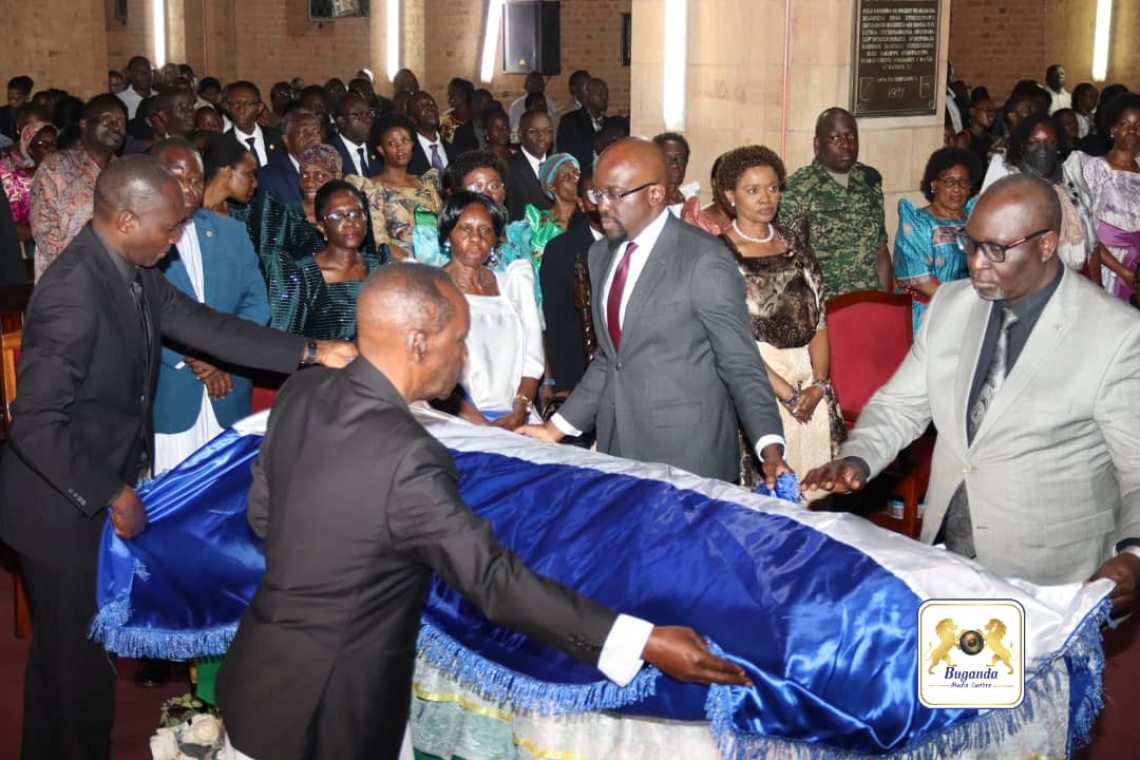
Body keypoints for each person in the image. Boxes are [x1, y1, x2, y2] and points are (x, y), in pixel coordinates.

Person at [215, 261, 749, 760]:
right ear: (419, 344)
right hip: (331, 713)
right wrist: (644, 640)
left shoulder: (303, 391)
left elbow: (263, 517)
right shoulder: (410, 453)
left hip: (257, 680)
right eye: (460, 340)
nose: (464, 354)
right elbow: (495, 583)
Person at [0, 154, 356, 760]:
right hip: (58, 504)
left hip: (87, 486)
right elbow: (33, 423)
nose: (173, 241)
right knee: (72, 664)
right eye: (168, 228)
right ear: (127, 218)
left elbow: (209, 326)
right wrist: (111, 493)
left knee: (84, 658)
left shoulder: (131, 270)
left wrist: (314, 350)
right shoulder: (72, 292)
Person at [802, 174, 1140, 601]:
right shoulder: (952, 305)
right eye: (970, 243)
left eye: (995, 249)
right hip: (946, 545)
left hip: (1048, 571)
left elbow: (1137, 471)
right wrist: (858, 457)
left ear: (1047, 244)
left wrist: (1133, 553)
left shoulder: (1118, 335)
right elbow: (899, 406)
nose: (976, 262)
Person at [517, 138, 790, 487]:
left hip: (689, 454)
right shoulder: (600, 256)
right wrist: (554, 429)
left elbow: (740, 362)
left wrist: (769, 448)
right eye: (599, 193)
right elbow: (610, 358)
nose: (602, 206)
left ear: (656, 194)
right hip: (619, 445)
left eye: (615, 194)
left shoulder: (703, 259)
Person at [715, 145, 842, 485]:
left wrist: (818, 384)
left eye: (772, 188)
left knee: (816, 498)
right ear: (731, 195)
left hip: (810, 385)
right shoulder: (719, 252)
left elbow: (819, 319)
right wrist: (788, 393)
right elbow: (734, 339)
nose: (765, 198)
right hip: (759, 385)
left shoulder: (795, 243)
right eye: (752, 190)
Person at [149, 138, 270, 473]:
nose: (188, 189)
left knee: (227, 500)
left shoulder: (231, 232)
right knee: (171, 501)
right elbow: (138, 313)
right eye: (177, 179)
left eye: (196, 181)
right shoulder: (140, 238)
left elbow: (257, 303)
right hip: (170, 391)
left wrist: (221, 355)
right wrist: (193, 356)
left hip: (229, 387)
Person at [435, 192, 544, 425]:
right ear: (448, 235)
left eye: (485, 230)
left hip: (517, 414)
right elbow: (427, 370)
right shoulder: (431, 289)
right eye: (465, 229)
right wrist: (483, 426)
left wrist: (517, 414)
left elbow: (533, 360)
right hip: (457, 418)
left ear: (495, 239)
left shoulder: (513, 285)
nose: (476, 238)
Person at [778, 108, 892, 296]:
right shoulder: (795, 190)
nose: (846, 144)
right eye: (835, 138)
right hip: (825, 311)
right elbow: (788, 263)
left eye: (851, 137)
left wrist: (885, 304)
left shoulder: (869, 182)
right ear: (817, 144)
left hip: (869, 305)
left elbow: (880, 251)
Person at [30, 93, 126, 281]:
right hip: (67, 283)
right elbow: (44, 230)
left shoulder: (127, 174)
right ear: (84, 124)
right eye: (107, 120)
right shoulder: (56, 166)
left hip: (119, 282)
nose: (116, 126)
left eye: (121, 122)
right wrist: (88, 271)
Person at [981, 112, 1094, 271]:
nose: (1042, 149)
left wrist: (1097, 285)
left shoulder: (1070, 176)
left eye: (1050, 142)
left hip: (1075, 272)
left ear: (1058, 146)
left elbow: (1091, 240)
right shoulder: (1010, 182)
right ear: (1023, 145)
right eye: (1034, 142)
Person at [894, 147, 981, 332]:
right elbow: (921, 282)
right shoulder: (917, 224)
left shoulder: (976, 219)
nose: (957, 188)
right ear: (933, 185)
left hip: (974, 311)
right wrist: (964, 305)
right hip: (930, 316)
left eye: (963, 182)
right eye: (949, 181)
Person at [540, 166, 603, 403]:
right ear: (581, 202)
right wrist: (562, 383)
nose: (603, 202)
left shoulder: (631, 243)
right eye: (594, 195)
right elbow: (556, 322)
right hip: (578, 372)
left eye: (610, 193)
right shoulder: (561, 250)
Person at [1079, 92, 1140, 302]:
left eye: (1138, 125)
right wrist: (1123, 271)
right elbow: (1086, 230)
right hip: (1108, 265)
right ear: (1113, 130)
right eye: (1125, 124)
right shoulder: (1096, 168)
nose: (1132, 130)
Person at [351, 113, 442, 251]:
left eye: (405, 141)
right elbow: (380, 240)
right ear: (381, 149)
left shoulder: (425, 183)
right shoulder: (373, 188)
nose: (400, 148)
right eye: (392, 143)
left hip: (436, 259)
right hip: (399, 266)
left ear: (412, 143)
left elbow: (443, 225)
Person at [0, 120, 56, 242]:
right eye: (42, 143)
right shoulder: (15, 183)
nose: (51, 148)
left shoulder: (69, 177)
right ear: (30, 149)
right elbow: (7, 224)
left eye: (54, 143)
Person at [255, 108, 323, 205]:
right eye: (303, 132)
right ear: (286, 140)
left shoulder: (330, 171)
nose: (312, 137)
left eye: (316, 132)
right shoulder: (268, 177)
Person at [524, 152, 580, 262]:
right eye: (566, 177)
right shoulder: (537, 224)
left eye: (577, 173)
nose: (575, 180)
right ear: (551, 187)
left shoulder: (589, 219)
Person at [507, 109, 554, 222]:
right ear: (520, 134)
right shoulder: (508, 168)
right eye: (533, 131)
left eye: (547, 131)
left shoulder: (558, 165)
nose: (542, 136)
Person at [224, 81, 285, 167]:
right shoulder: (222, 145)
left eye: (248, 104)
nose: (241, 110)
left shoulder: (278, 138)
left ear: (259, 107)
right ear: (227, 107)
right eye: (236, 104)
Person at [201, 133, 258, 217]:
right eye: (250, 174)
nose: (255, 184)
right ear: (227, 170)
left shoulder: (241, 215)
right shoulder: (186, 211)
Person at [557, 77, 608, 169]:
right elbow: (564, 153)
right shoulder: (570, 120)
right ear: (587, 95)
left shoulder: (609, 123)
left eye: (606, 94)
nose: (604, 97)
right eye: (600, 94)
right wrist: (593, 144)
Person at [681, 152, 732, 236]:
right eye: (727, 180)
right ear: (714, 182)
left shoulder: (751, 219)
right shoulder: (698, 221)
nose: (732, 187)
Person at [330, 92, 378, 178]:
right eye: (359, 115)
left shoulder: (378, 149)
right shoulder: (329, 153)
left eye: (369, 114)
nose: (368, 120)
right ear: (342, 122)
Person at [406, 91, 454, 177]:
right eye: (422, 105)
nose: (429, 107)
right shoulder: (407, 154)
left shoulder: (454, 151)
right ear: (412, 119)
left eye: (432, 104)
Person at [653, 132, 698, 213]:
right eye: (668, 158)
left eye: (680, 159)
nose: (675, 165)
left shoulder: (689, 198)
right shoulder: (650, 200)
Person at [118, 55, 157, 120]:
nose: (146, 75)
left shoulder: (159, 97)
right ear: (129, 74)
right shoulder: (120, 100)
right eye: (141, 72)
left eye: (149, 71)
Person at [439, 77, 474, 144]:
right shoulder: (446, 120)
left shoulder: (476, 117)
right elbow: (446, 144)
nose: (450, 97)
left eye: (454, 93)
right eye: (449, 94)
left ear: (465, 95)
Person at [966, 90, 996, 164]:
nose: (991, 114)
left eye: (993, 110)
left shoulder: (993, 140)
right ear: (972, 112)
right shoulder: (964, 139)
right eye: (986, 110)